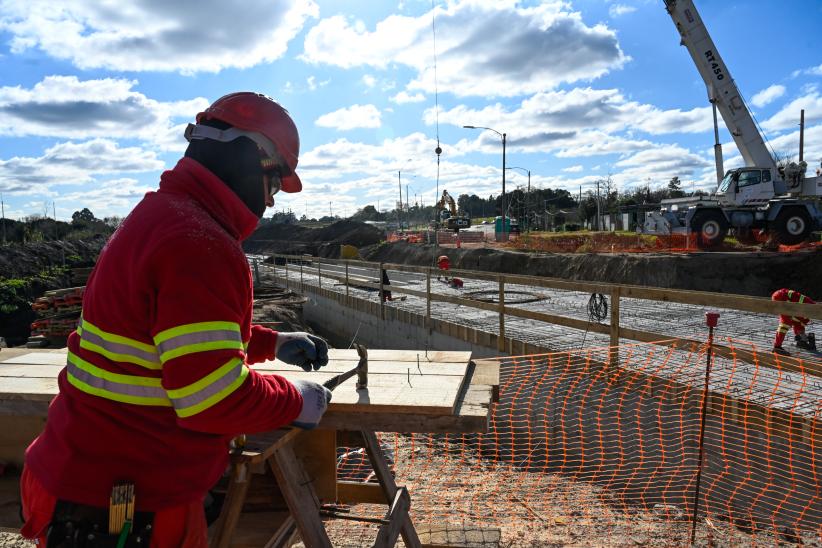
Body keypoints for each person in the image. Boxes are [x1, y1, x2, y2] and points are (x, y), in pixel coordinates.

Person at [20, 92, 333, 547]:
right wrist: (296, 399)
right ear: (252, 156)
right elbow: (211, 398)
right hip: (121, 504)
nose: (270, 203)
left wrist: (268, 342)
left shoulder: (160, 216)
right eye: (274, 184)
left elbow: (162, 339)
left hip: (81, 478)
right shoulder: (200, 244)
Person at [771, 288, 816, 355]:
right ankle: (777, 347)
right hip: (781, 297)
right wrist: (803, 336)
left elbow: (798, 323)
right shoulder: (812, 309)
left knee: (793, 320)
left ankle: (801, 342)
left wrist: (802, 337)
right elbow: (799, 322)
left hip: (784, 298)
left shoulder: (811, 309)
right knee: (785, 324)